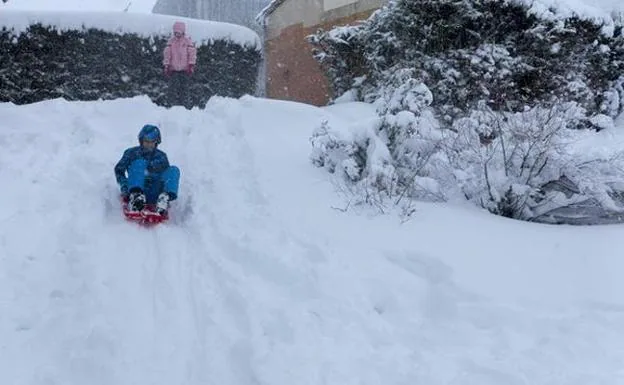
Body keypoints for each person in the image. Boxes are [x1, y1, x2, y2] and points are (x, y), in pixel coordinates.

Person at [114, 124, 180, 215]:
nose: (149, 144)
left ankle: (163, 200)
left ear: (156, 142)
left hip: (154, 193)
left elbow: (166, 177)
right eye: (146, 141)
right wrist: (124, 186)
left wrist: (165, 191)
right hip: (135, 188)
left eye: (152, 142)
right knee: (139, 163)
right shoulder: (131, 153)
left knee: (174, 170)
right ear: (141, 140)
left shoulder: (161, 157)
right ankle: (136, 197)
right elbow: (119, 170)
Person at [163, 21, 197, 108]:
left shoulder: (187, 41)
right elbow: (167, 54)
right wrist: (167, 65)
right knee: (172, 88)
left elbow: (192, 53)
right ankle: (170, 105)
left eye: (178, 32)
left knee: (184, 88)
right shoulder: (171, 42)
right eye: (175, 32)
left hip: (184, 69)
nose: (177, 34)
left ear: (183, 32)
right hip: (173, 69)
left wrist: (191, 65)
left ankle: (185, 105)